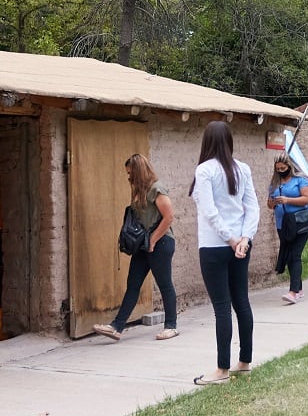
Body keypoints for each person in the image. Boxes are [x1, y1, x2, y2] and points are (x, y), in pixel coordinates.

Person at [189, 121, 259, 385]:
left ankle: (222, 369)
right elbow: (252, 207)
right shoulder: (243, 168)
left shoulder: (205, 170)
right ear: (229, 141)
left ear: (206, 142)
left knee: (221, 308)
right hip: (240, 245)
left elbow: (209, 212)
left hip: (214, 246)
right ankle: (244, 362)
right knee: (241, 301)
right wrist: (244, 239)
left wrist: (231, 240)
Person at [93, 154, 179, 342]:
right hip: (144, 245)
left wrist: (154, 240)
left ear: (139, 172)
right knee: (133, 284)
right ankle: (116, 327)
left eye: (131, 173)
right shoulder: (138, 191)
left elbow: (169, 217)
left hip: (162, 243)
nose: (129, 177)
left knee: (164, 284)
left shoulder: (157, 189)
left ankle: (171, 326)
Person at [267, 154, 308, 303]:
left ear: (290, 167)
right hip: (283, 224)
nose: (280, 171)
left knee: (295, 255)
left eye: (283, 168)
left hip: (300, 223)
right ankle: (298, 289)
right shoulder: (275, 183)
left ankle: (293, 291)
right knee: (288, 257)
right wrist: (272, 203)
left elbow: (307, 199)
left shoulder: (300, 180)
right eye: (278, 169)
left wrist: (288, 200)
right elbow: (269, 204)